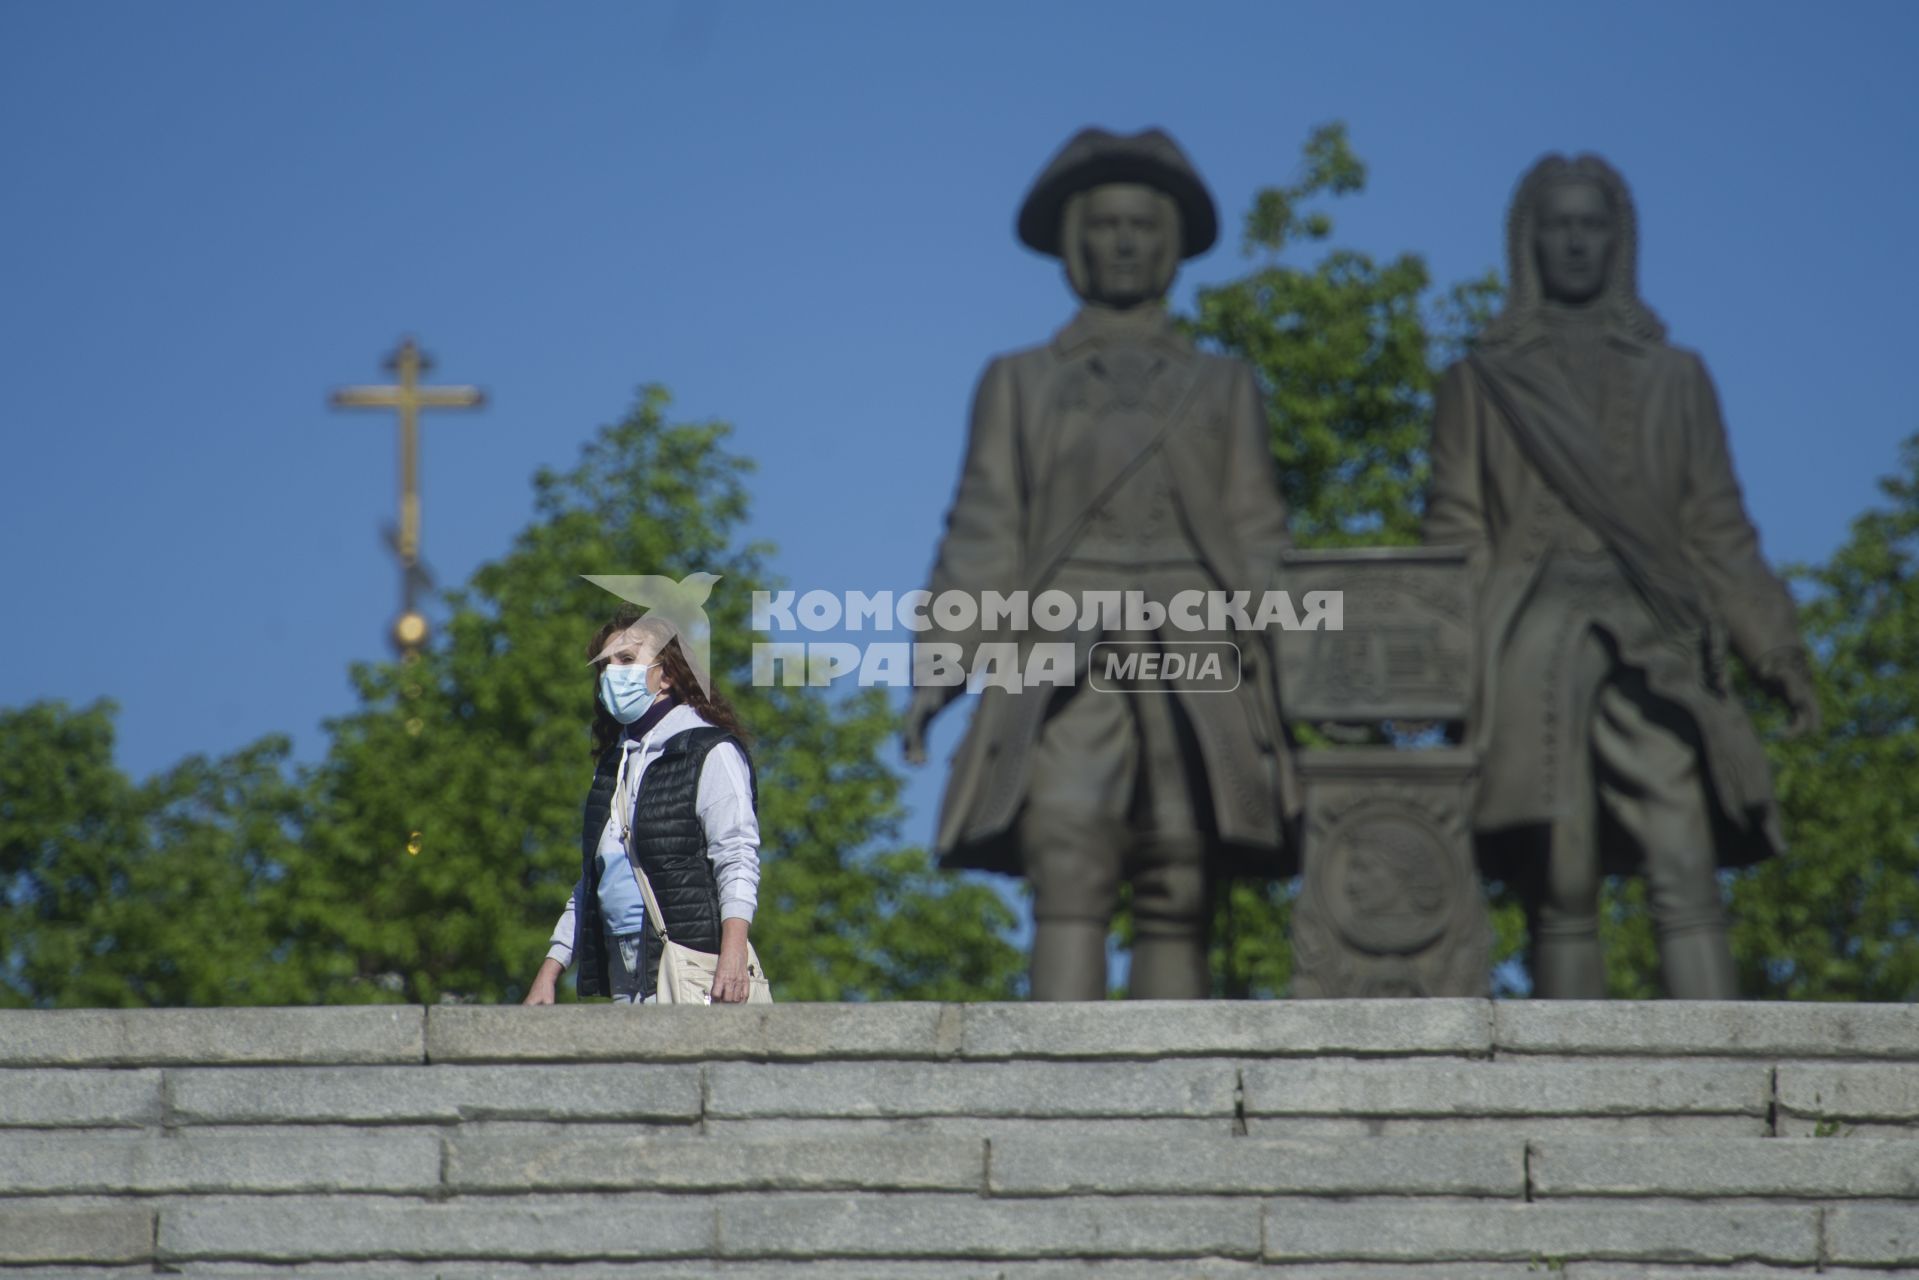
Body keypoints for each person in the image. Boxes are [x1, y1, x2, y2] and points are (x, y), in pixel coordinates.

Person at [901, 127, 1299, 1000]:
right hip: (1060, 639)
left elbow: (1260, 537)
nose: (1124, 241)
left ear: (1172, 246)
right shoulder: (1019, 381)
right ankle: (1055, 1083)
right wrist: (941, 665)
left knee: (1181, 858)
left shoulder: (1224, 385)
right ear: (1076, 243)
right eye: (1107, 225)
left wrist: (1297, 669)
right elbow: (982, 527)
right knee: (1068, 843)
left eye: (1142, 226)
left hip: (1197, 640)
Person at [1424, 153, 1819, 999]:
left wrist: (1775, 650)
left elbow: (1717, 530)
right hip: (1526, 640)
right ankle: (1568, 1080)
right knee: (1559, 872)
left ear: (1619, 239)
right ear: (1527, 241)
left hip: (1654, 633)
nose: (1574, 242)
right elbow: (1454, 536)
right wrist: (1444, 669)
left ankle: (1721, 1078)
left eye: (1590, 224)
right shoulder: (1476, 384)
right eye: (1557, 225)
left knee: (1682, 855)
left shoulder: (1676, 379)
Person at [523, 610, 762, 1005]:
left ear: (666, 674)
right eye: (604, 665)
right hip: (623, 967)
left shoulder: (708, 751)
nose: (611, 673)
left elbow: (736, 855)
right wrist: (551, 968)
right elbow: (593, 878)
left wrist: (734, 953)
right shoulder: (615, 766)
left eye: (627, 660)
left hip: (689, 962)